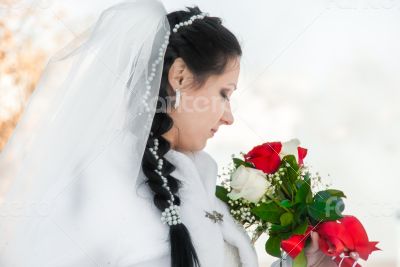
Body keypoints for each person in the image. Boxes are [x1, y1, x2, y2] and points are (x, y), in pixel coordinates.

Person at [0, 0, 351, 266]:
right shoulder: (101, 181)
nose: (229, 116)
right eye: (224, 93)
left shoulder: (198, 179)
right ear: (180, 77)